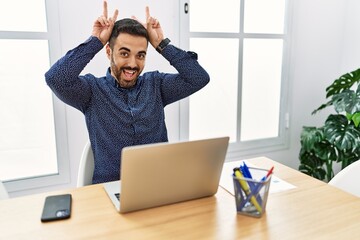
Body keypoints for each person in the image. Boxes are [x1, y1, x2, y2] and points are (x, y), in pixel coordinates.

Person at [45, 1, 210, 184]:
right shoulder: (92, 92)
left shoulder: (156, 85)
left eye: (140, 55)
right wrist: (95, 41)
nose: (133, 63)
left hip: (158, 187)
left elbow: (198, 78)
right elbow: (56, 78)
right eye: (124, 53)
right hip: (110, 192)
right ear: (109, 52)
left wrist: (162, 44)